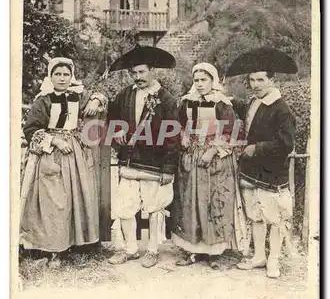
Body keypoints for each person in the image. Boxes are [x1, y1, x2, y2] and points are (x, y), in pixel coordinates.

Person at [20, 57, 107, 266]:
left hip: (75, 154)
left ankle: (74, 244)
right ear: (50, 76)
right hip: (51, 154)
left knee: (75, 197)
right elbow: (31, 129)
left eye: (66, 74)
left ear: (72, 76)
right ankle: (52, 248)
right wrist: (56, 141)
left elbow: (100, 97)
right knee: (54, 200)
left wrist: (96, 101)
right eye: (57, 74)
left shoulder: (77, 96)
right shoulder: (44, 100)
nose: (62, 78)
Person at [107, 44, 180, 268]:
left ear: (152, 71)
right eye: (134, 73)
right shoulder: (125, 94)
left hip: (155, 164)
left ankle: (152, 250)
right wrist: (117, 130)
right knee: (124, 207)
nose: (137, 77)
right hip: (129, 160)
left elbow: (173, 134)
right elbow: (111, 117)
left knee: (155, 207)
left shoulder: (166, 99)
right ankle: (130, 249)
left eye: (142, 72)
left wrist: (168, 167)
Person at [226, 47, 297, 279]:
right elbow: (248, 116)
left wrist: (257, 148)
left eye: (261, 80)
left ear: (271, 80)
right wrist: (229, 99)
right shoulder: (254, 102)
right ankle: (259, 256)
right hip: (252, 172)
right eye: (252, 80)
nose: (255, 84)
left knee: (274, 219)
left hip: (271, 173)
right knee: (255, 216)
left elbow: (286, 144)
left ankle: (274, 260)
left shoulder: (281, 109)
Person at [171, 63, 249, 270]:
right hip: (192, 159)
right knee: (191, 202)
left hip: (215, 160)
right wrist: (183, 135)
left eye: (203, 80)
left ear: (213, 81)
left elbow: (231, 132)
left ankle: (215, 252)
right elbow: (179, 124)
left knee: (213, 202)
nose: (199, 84)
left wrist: (212, 151)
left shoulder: (222, 104)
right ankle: (191, 250)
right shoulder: (187, 101)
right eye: (196, 80)